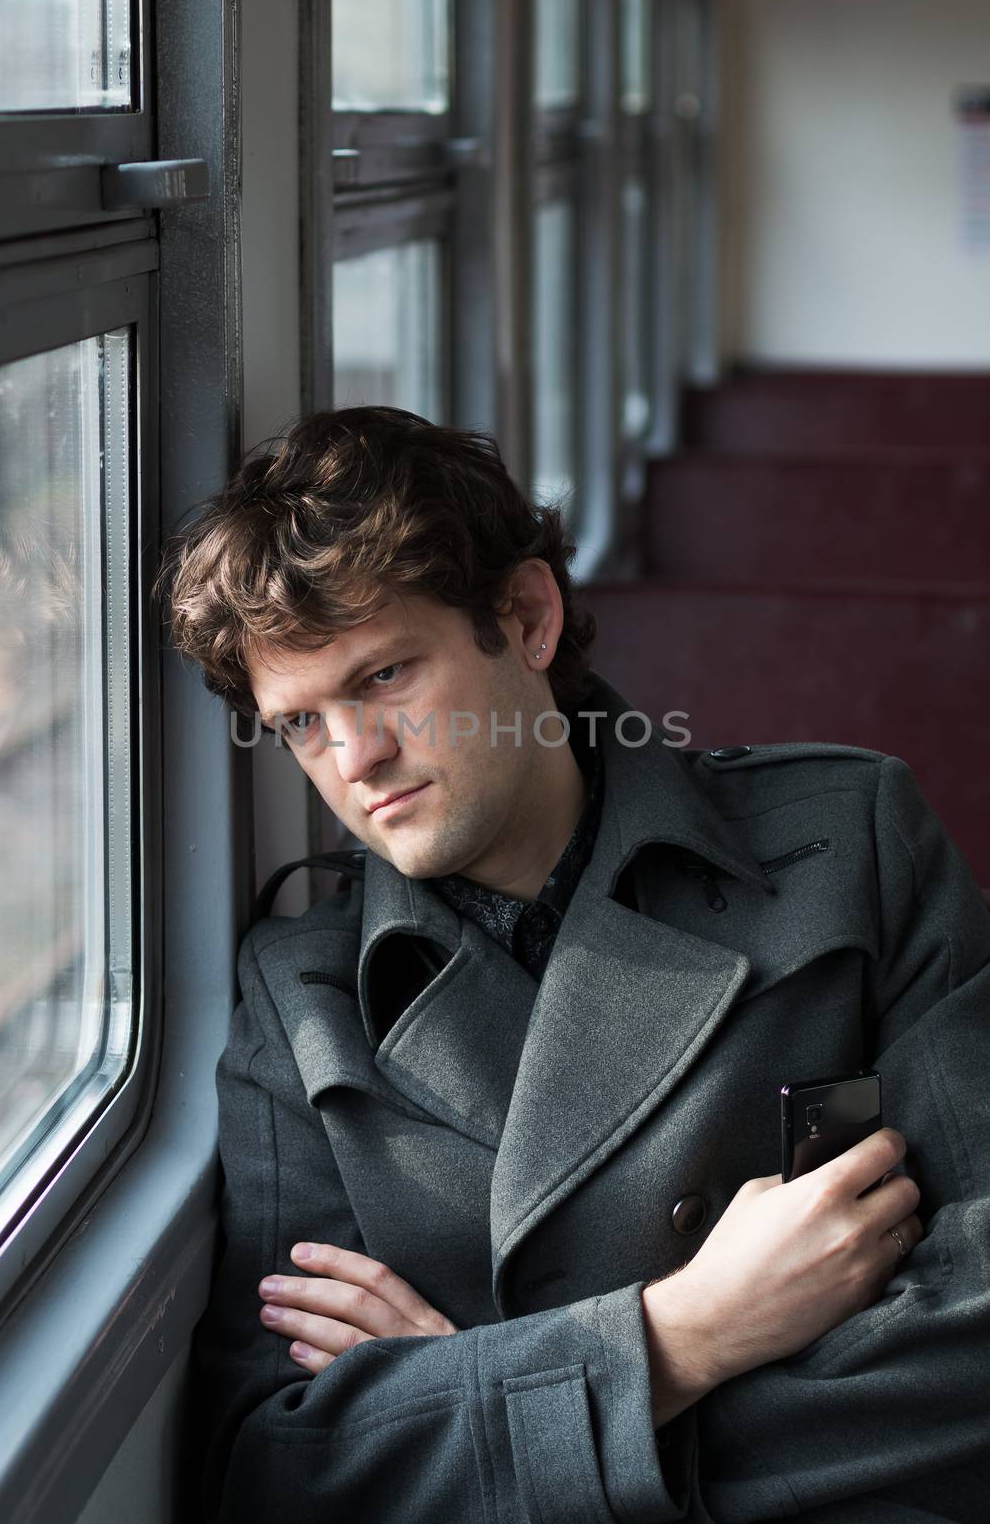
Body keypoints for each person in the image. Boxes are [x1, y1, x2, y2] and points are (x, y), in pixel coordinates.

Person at [163, 406, 990, 1523]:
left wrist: (494, 1407)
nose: (355, 758)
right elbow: (280, 1475)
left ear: (526, 615)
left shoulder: (848, 840)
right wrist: (681, 1337)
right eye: (300, 724)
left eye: (384, 675)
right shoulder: (303, 998)